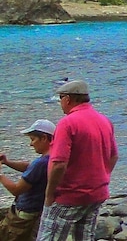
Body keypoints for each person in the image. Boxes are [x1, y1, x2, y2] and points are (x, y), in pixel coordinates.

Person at [37, 80, 118, 241]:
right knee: (84, 237)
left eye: (60, 99)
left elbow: (59, 163)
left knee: (48, 237)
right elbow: (113, 156)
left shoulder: (67, 123)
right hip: (96, 194)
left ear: (67, 99)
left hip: (69, 195)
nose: (60, 103)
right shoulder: (104, 121)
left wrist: (49, 193)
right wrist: (103, 179)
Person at [0, 120, 55, 241]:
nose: (31, 144)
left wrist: (0, 176)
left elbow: (16, 190)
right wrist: (7, 162)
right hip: (38, 210)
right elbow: (30, 167)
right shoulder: (53, 157)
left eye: (33, 139)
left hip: (26, 214)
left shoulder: (40, 163)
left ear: (44, 138)